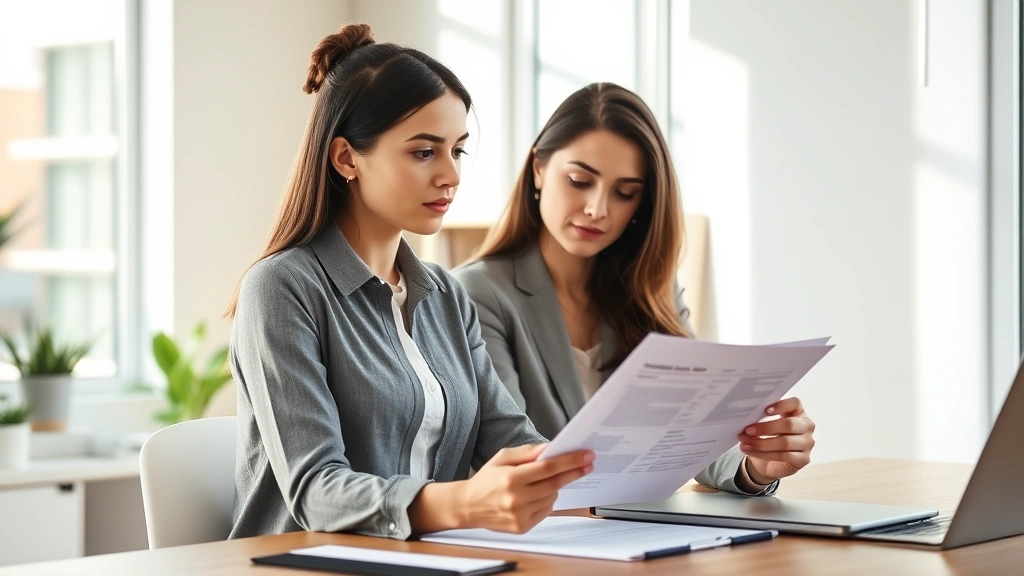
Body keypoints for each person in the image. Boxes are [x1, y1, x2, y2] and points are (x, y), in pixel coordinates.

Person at [225, 24, 594, 541]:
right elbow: (316, 490)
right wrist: (465, 501)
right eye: (424, 152)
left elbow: (511, 440)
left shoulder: (446, 297)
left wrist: (705, 463)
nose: (451, 175)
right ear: (347, 158)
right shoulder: (281, 289)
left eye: (457, 151)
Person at [454, 83, 816, 496]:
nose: (598, 208)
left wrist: (755, 467)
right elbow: (514, 449)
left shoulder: (652, 288)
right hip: (544, 536)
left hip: (635, 531)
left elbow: (691, 434)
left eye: (625, 193)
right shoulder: (477, 293)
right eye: (578, 180)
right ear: (538, 168)